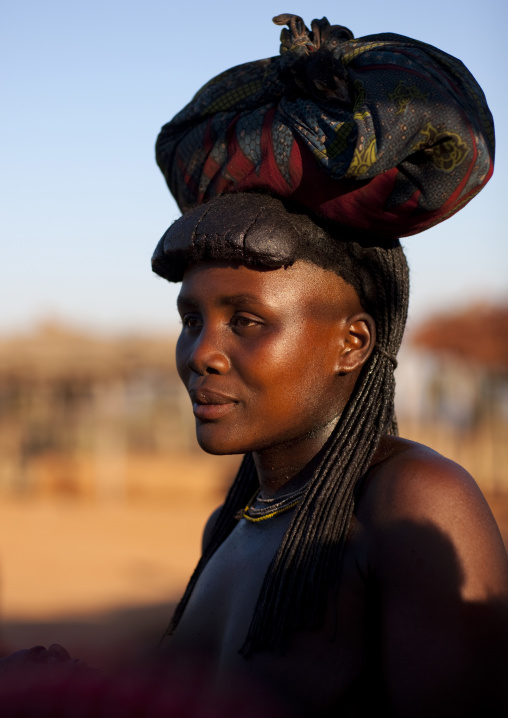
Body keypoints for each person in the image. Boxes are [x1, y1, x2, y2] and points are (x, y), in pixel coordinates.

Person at [151, 13, 508, 717]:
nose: (202, 353)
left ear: (353, 343)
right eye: (191, 319)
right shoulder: (236, 518)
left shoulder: (413, 505)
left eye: (246, 321)